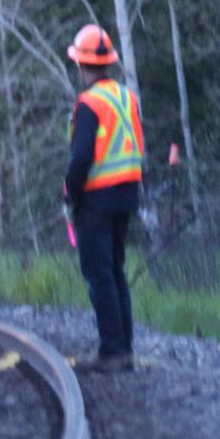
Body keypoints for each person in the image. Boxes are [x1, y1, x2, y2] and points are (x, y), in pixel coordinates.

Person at [64, 24, 144, 369]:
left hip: (97, 198)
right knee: (116, 271)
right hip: (128, 192)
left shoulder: (89, 103)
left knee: (99, 274)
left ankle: (112, 351)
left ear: (82, 66)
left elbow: (81, 157)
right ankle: (123, 347)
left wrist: (69, 192)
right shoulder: (126, 96)